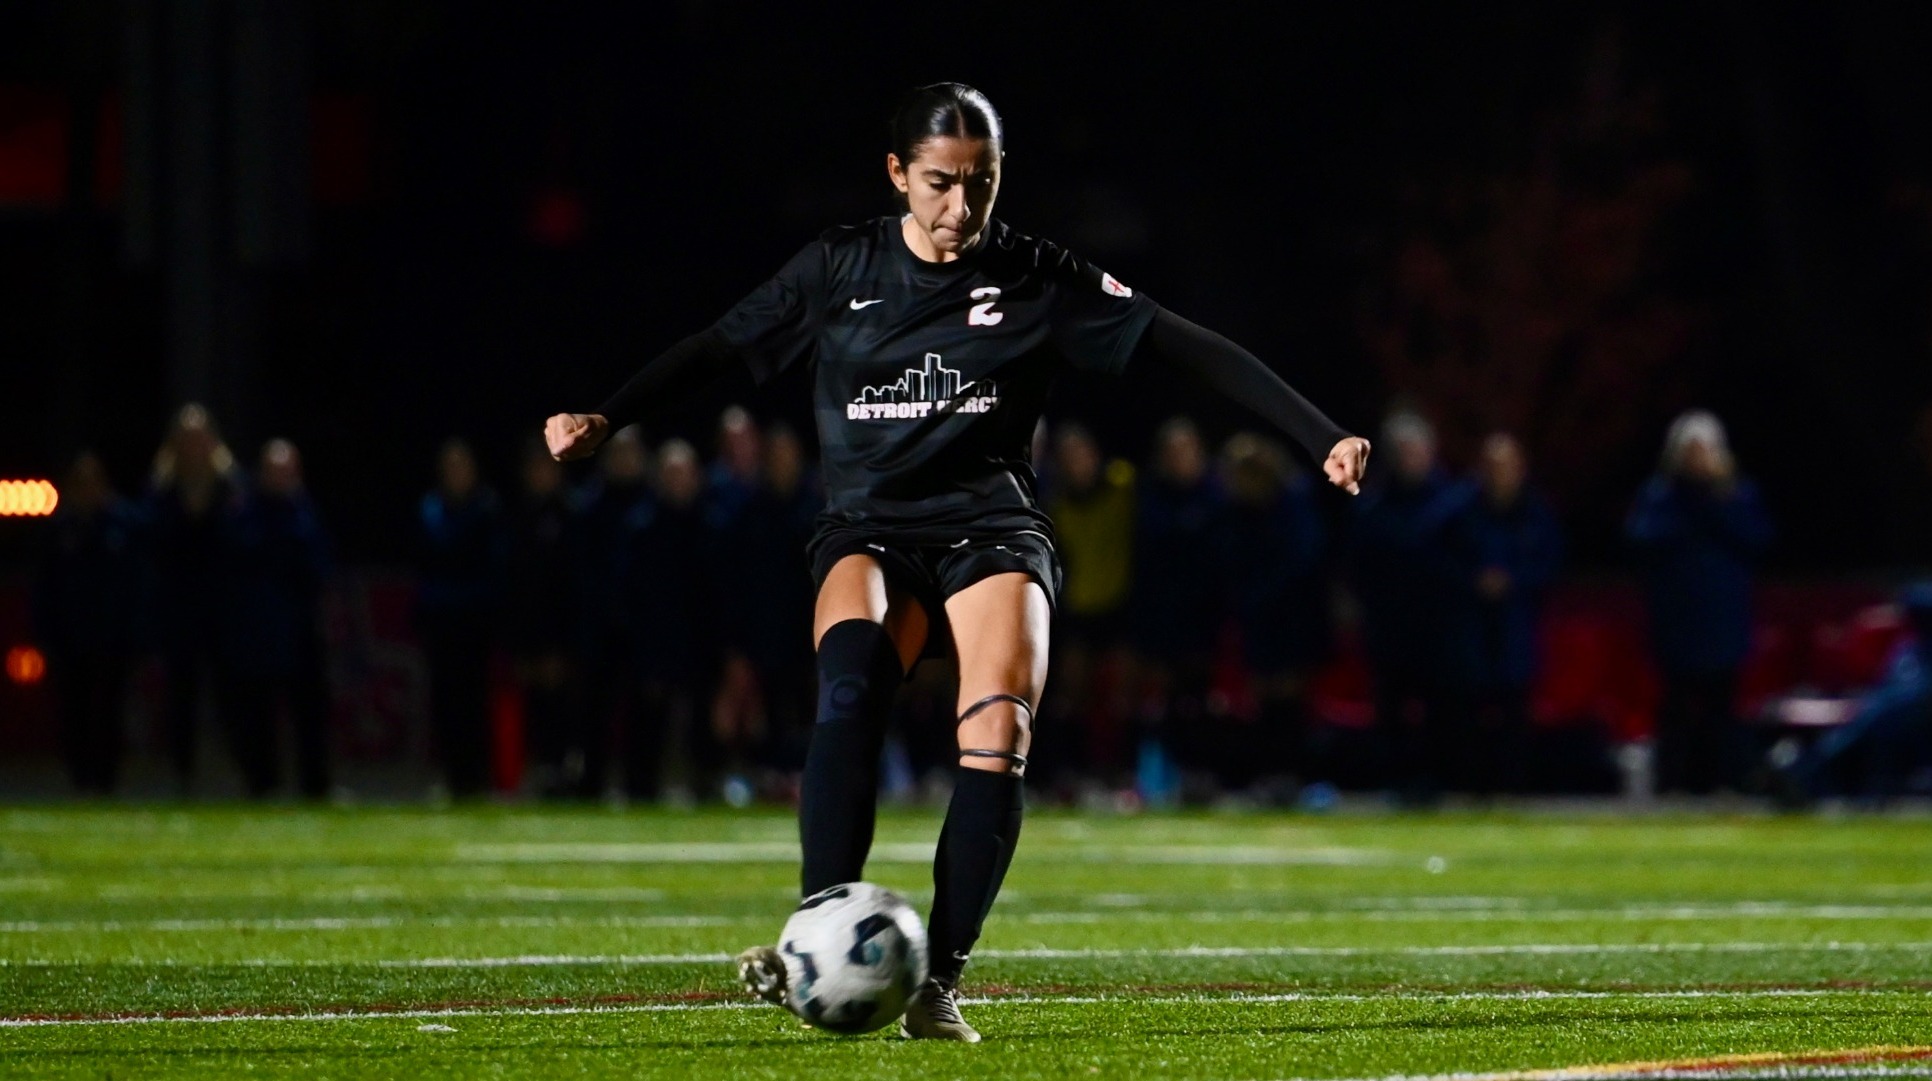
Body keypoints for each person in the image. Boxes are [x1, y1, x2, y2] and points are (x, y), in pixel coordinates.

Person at [542, 82, 1368, 1041]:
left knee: (998, 726)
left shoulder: (1033, 275)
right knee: (848, 688)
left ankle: (939, 984)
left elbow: (1186, 345)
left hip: (991, 531)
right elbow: (718, 348)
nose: (961, 207)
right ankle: (820, 934)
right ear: (897, 175)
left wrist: (1318, 434)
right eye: (940, 183)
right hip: (869, 529)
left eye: (982, 184)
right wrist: (611, 416)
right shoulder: (836, 267)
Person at [1625, 411, 1774, 796]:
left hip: (1723, 620)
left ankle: (1722, 782)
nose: (1697, 459)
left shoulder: (1737, 495)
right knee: (1675, 707)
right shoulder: (1659, 498)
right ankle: (1672, 783)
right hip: (1676, 621)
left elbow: (1758, 541)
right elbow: (1643, 541)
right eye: (1690, 451)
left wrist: (1718, 499)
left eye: (1704, 451)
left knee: (1721, 708)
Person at [1426, 432, 1562, 798]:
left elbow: (1550, 564)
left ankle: (1512, 787)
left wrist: (1514, 581)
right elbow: (1434, 560)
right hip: (1467, 627)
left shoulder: (1536, 511)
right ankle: (1467, 786)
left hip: (1514, 625)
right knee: (1467, 710)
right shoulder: (1455, 510)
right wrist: (1472, 581)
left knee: (1514, 709)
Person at [217, 439, 333, 798]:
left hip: (299, 630)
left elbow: (318, 566)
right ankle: (262, 785)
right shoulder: (243, 510)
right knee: (256, 717)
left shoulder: (305, 512)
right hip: (256, 632)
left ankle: (316, 788)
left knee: (310, 715)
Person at [1216, 432, 1329, 799]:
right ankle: (1272, 774)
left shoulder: (1293, 501)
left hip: (1292, 615)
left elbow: (1301, 558)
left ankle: (1293, 775)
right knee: (1264, 697)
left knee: (1289, 697)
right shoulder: (1240, 510)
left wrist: (1258, 592)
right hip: (1261, 616)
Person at [1349, 411, 1452, 803]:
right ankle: (1394, 781)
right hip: (1388, 625)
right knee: (1390, 707)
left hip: (1437, 627)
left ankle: (1434, 781)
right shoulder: (1373, 505)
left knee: (1436, 708)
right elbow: (1359, 564)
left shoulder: (1451, 504)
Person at [32, 452, 149, 795]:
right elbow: (45, 588)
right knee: (73, 715)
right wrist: (46, 635)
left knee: (109, 715)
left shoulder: (123, 526)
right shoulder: (60, 531)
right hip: (71, 641)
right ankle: (80, 781)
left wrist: (137, 637)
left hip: (112, 641)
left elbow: (137, 585)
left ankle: (106, 782)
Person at [614, 439, 718, 801]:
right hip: (654, 650)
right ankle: (640, 793)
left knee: (703, 736)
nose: (678, 482)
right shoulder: (641, 528)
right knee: (648, 734)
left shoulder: (712, 526)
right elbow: (631, 597)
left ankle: (706, 792)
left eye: (684, 474)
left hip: (701, 650)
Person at [146, 404, 242, 794]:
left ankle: (241, 773)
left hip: (224, 610)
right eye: (185, 437)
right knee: (181, 696)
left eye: (200, 436)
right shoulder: (161, 490)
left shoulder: (232, 488)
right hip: (179, 610)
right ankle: (183, 775)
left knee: (232, 695)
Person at [1130, 417, 1226, 802]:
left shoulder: (1216, 498)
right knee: (1162, 700)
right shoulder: (1150, 497)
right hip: (1161, 614)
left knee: (1200, 698)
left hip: (1205, 616)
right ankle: (1162, 775)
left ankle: (1202, 775)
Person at [1773, 582, 1932, 807]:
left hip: (1912, 710)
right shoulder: (1910, 648)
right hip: (1890, 710)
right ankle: (1809, 775)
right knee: (1873, 715)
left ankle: (1807, 773)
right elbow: (1913, 598)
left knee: (1883, 715)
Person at [1042, 422, 1137, 789]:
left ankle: (1118, 773)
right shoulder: (1055, 502)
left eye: (1081, 454)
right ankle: (1072, 773)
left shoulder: (1122, 486)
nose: (1076, 463)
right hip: (1078, 609)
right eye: (1067, 458)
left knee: (1119, 697)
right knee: (1072, 696)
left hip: (1119, 606)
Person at [414, 439, 507, 799]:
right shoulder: (430, 509)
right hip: (441, 623)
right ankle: (453, 777)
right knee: (445, 704)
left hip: (474, 624)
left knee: (475, 704)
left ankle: (478, 777)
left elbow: (492, 567)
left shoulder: (486, 509)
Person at [571, 425, 652, 798]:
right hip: (598, 630)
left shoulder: (653, 505)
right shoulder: (589, 506)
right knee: (593, 716)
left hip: (641, 630)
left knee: (642, 715)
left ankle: (641, 788)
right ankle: (592, 786)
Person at [506, 436, 582, 797]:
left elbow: (573, 589)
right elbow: (514, 589)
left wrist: (562, 645)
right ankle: (539, 772)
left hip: (561, 639)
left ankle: (564, 772)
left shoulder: (571, 516)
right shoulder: (517, 518)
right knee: (534, 711)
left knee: (563, 711)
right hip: (529, 637)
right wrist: (521, 644)